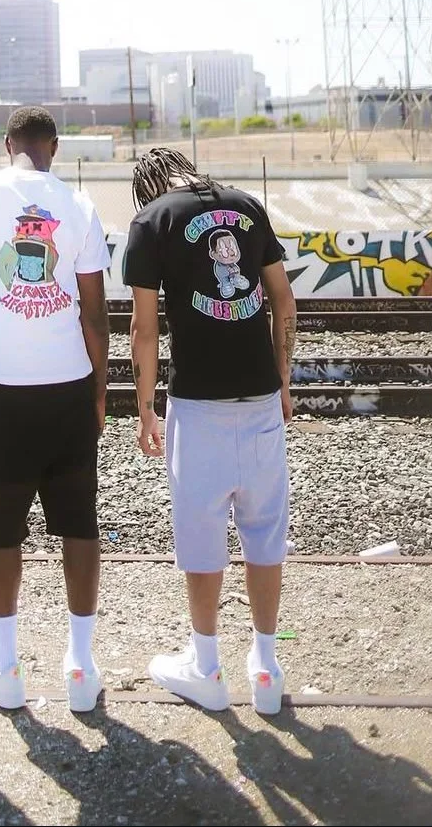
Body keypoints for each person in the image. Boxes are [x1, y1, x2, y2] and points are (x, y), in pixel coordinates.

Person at [0, 106, 111, 712]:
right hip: (68, 384)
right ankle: (81, 666)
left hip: (1, 386)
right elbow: (95, 313)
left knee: (1, 525)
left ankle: (6, 665)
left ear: (6, 143)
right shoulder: (80, 205)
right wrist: (99, 391)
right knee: (79, 521)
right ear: (54, 147)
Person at [123, 147, 297, 715]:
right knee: (264, 531)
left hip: (198, 406)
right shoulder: (247, 206)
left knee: (201, 535)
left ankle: (206, 666)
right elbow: (283, 301)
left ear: (148, 186)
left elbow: (144, 328)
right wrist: (283, 382)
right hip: (262, 401)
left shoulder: (152, 220)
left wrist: (145, 407)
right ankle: (266, 667)